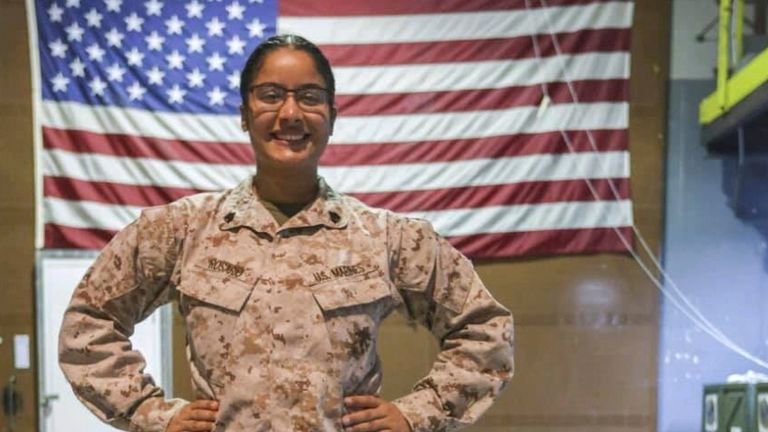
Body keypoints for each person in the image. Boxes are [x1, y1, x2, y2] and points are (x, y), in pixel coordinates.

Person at [59, 34, 514, 432]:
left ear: (332, 117)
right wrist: (151, 413)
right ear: (244, 113)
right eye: (271, 95)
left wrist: (418, 413)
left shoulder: (388, 238)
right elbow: (88, 323)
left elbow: (484, 329)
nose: (290, 113)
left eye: (310, 97)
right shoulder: (180, 230)